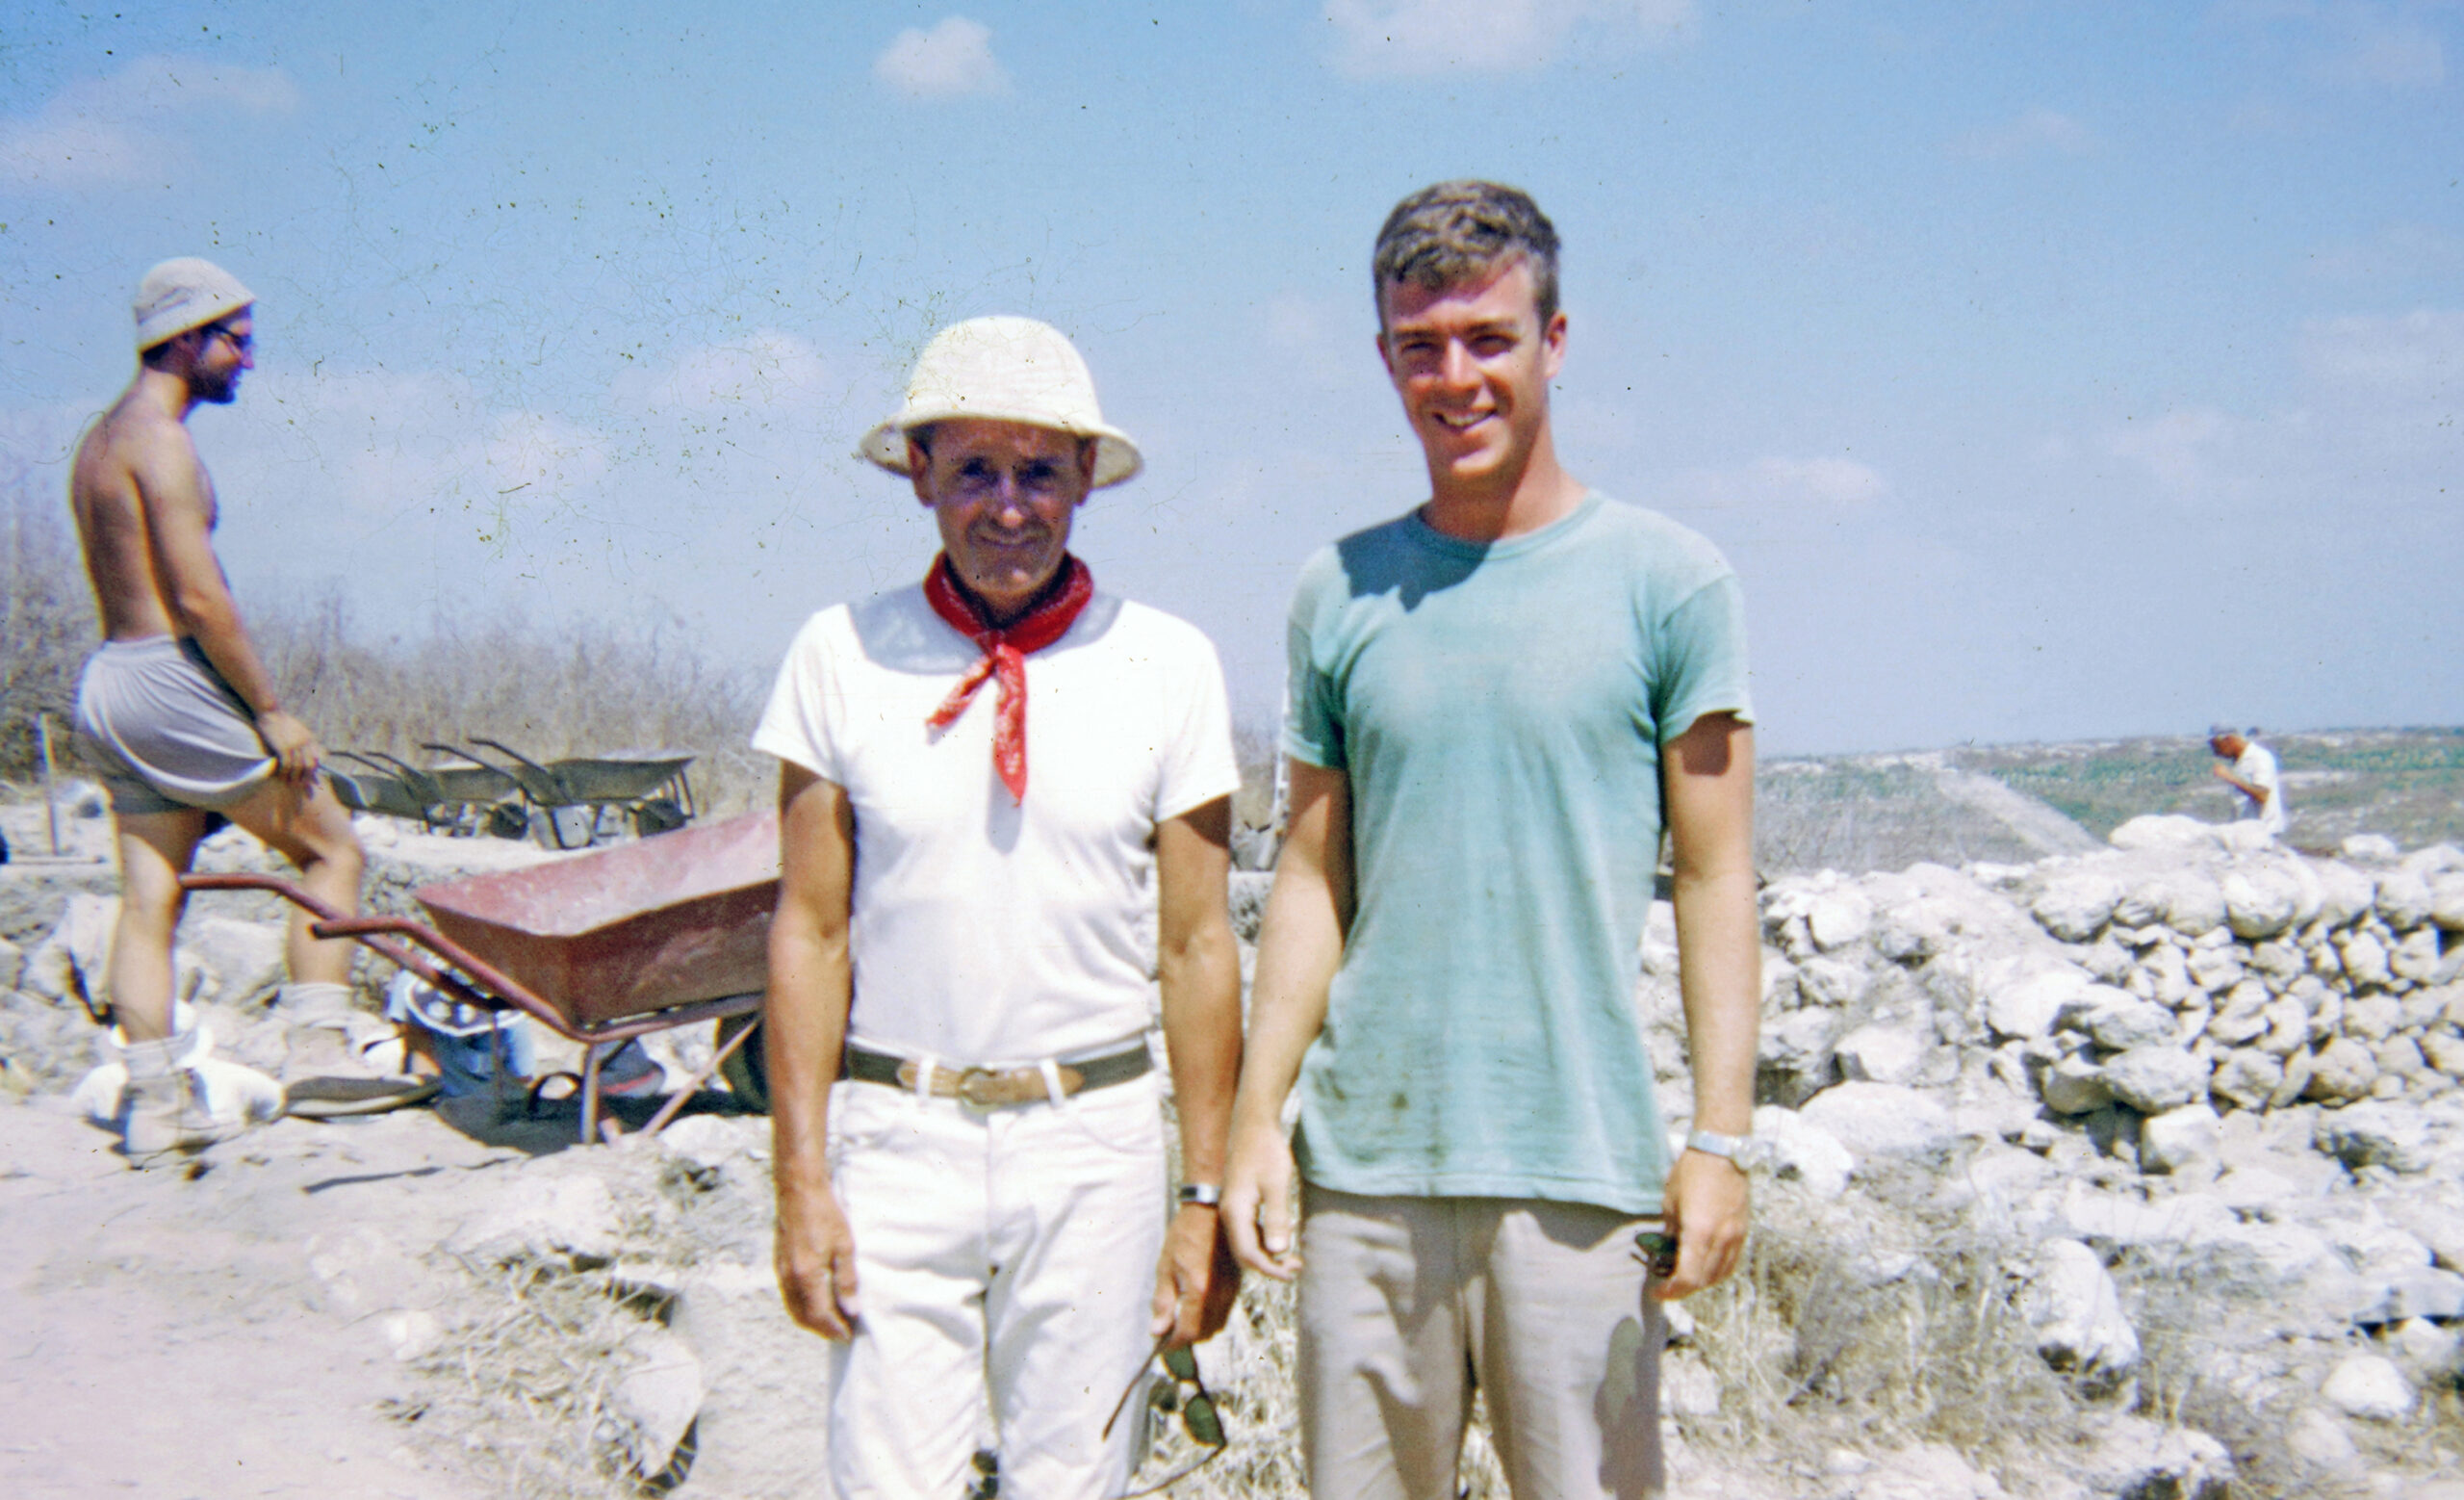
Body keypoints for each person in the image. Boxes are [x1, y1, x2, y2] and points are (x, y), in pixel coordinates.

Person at [1220, 181, 1761, 1500]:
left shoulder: (1671, 582)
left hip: (1578, 1166)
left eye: (1489, 339)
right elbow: (1310, 871)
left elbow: (1715, 873)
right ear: (1386, 357)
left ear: (1555, 341)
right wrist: (1251, 1122)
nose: (1455, 376)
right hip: (1365, 1179)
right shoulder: (1335, 589)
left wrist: (1723, 1136)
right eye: (1422, 344)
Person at [754, 316, 1245, 1498]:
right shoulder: (838, 653)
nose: (1008, 506)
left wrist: (1204, 1199)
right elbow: (810, 931)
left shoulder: (1167, 664)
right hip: (896, 1137)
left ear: (1085, 478)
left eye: (1038, 471)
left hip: (1093, 1143)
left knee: (1071, 1482)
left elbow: (1194, 945)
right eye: (974, 469)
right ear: (917, 474)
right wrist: (799, 1182)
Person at [68, 257, 371, 1166]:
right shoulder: (162, 444)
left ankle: (156, 1103)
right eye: (235, 340)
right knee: (333, 849)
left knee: (149, 899)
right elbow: (199, 601)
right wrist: (272, 712)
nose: (246, 358)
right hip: (169, 675)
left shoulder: (97, 441)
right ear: (186, 337)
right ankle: (318, 1050)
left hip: (111, 680)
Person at [2209, 726, 2287, 842]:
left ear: (2229, 740)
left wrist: (2230, 778)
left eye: (2217, 746)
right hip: (2246, 831)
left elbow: (2263, 795)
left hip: (2264, 830)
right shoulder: (2239, 762)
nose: (2216, 753)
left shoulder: (2259, 757)